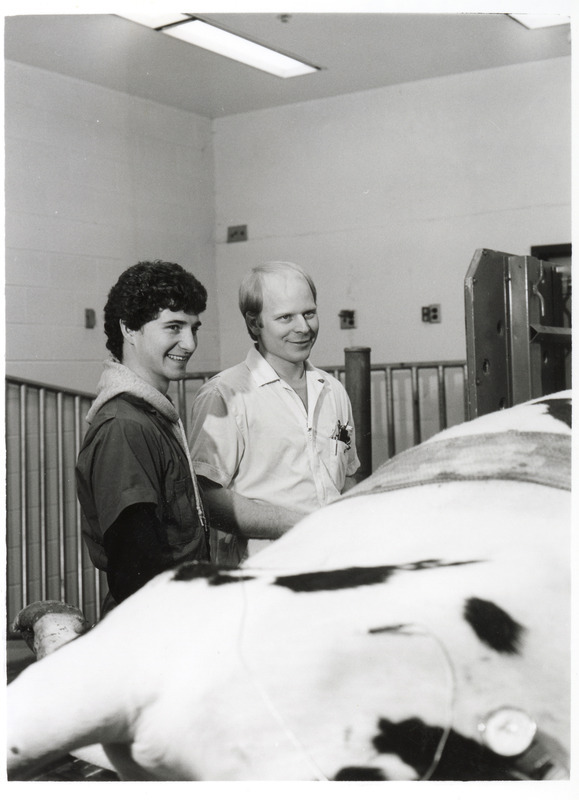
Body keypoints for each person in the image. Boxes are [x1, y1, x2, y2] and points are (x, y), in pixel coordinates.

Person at [189, 261, 360, 567]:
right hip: (264, 571)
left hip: (335, 562)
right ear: (254, 323)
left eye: (309, 313)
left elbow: (345, 478)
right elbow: (207, 496)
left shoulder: (332, 390)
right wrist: (297, 525)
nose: (303, 328)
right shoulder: (225, 395)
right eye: (285, 317)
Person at [76, 261, 210, 610]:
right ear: (129, 329)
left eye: (194, 328)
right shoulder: (124, 427)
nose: (190, 343)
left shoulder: (151, 415)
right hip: (155, 624)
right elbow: (135, 573)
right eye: (174, 327)